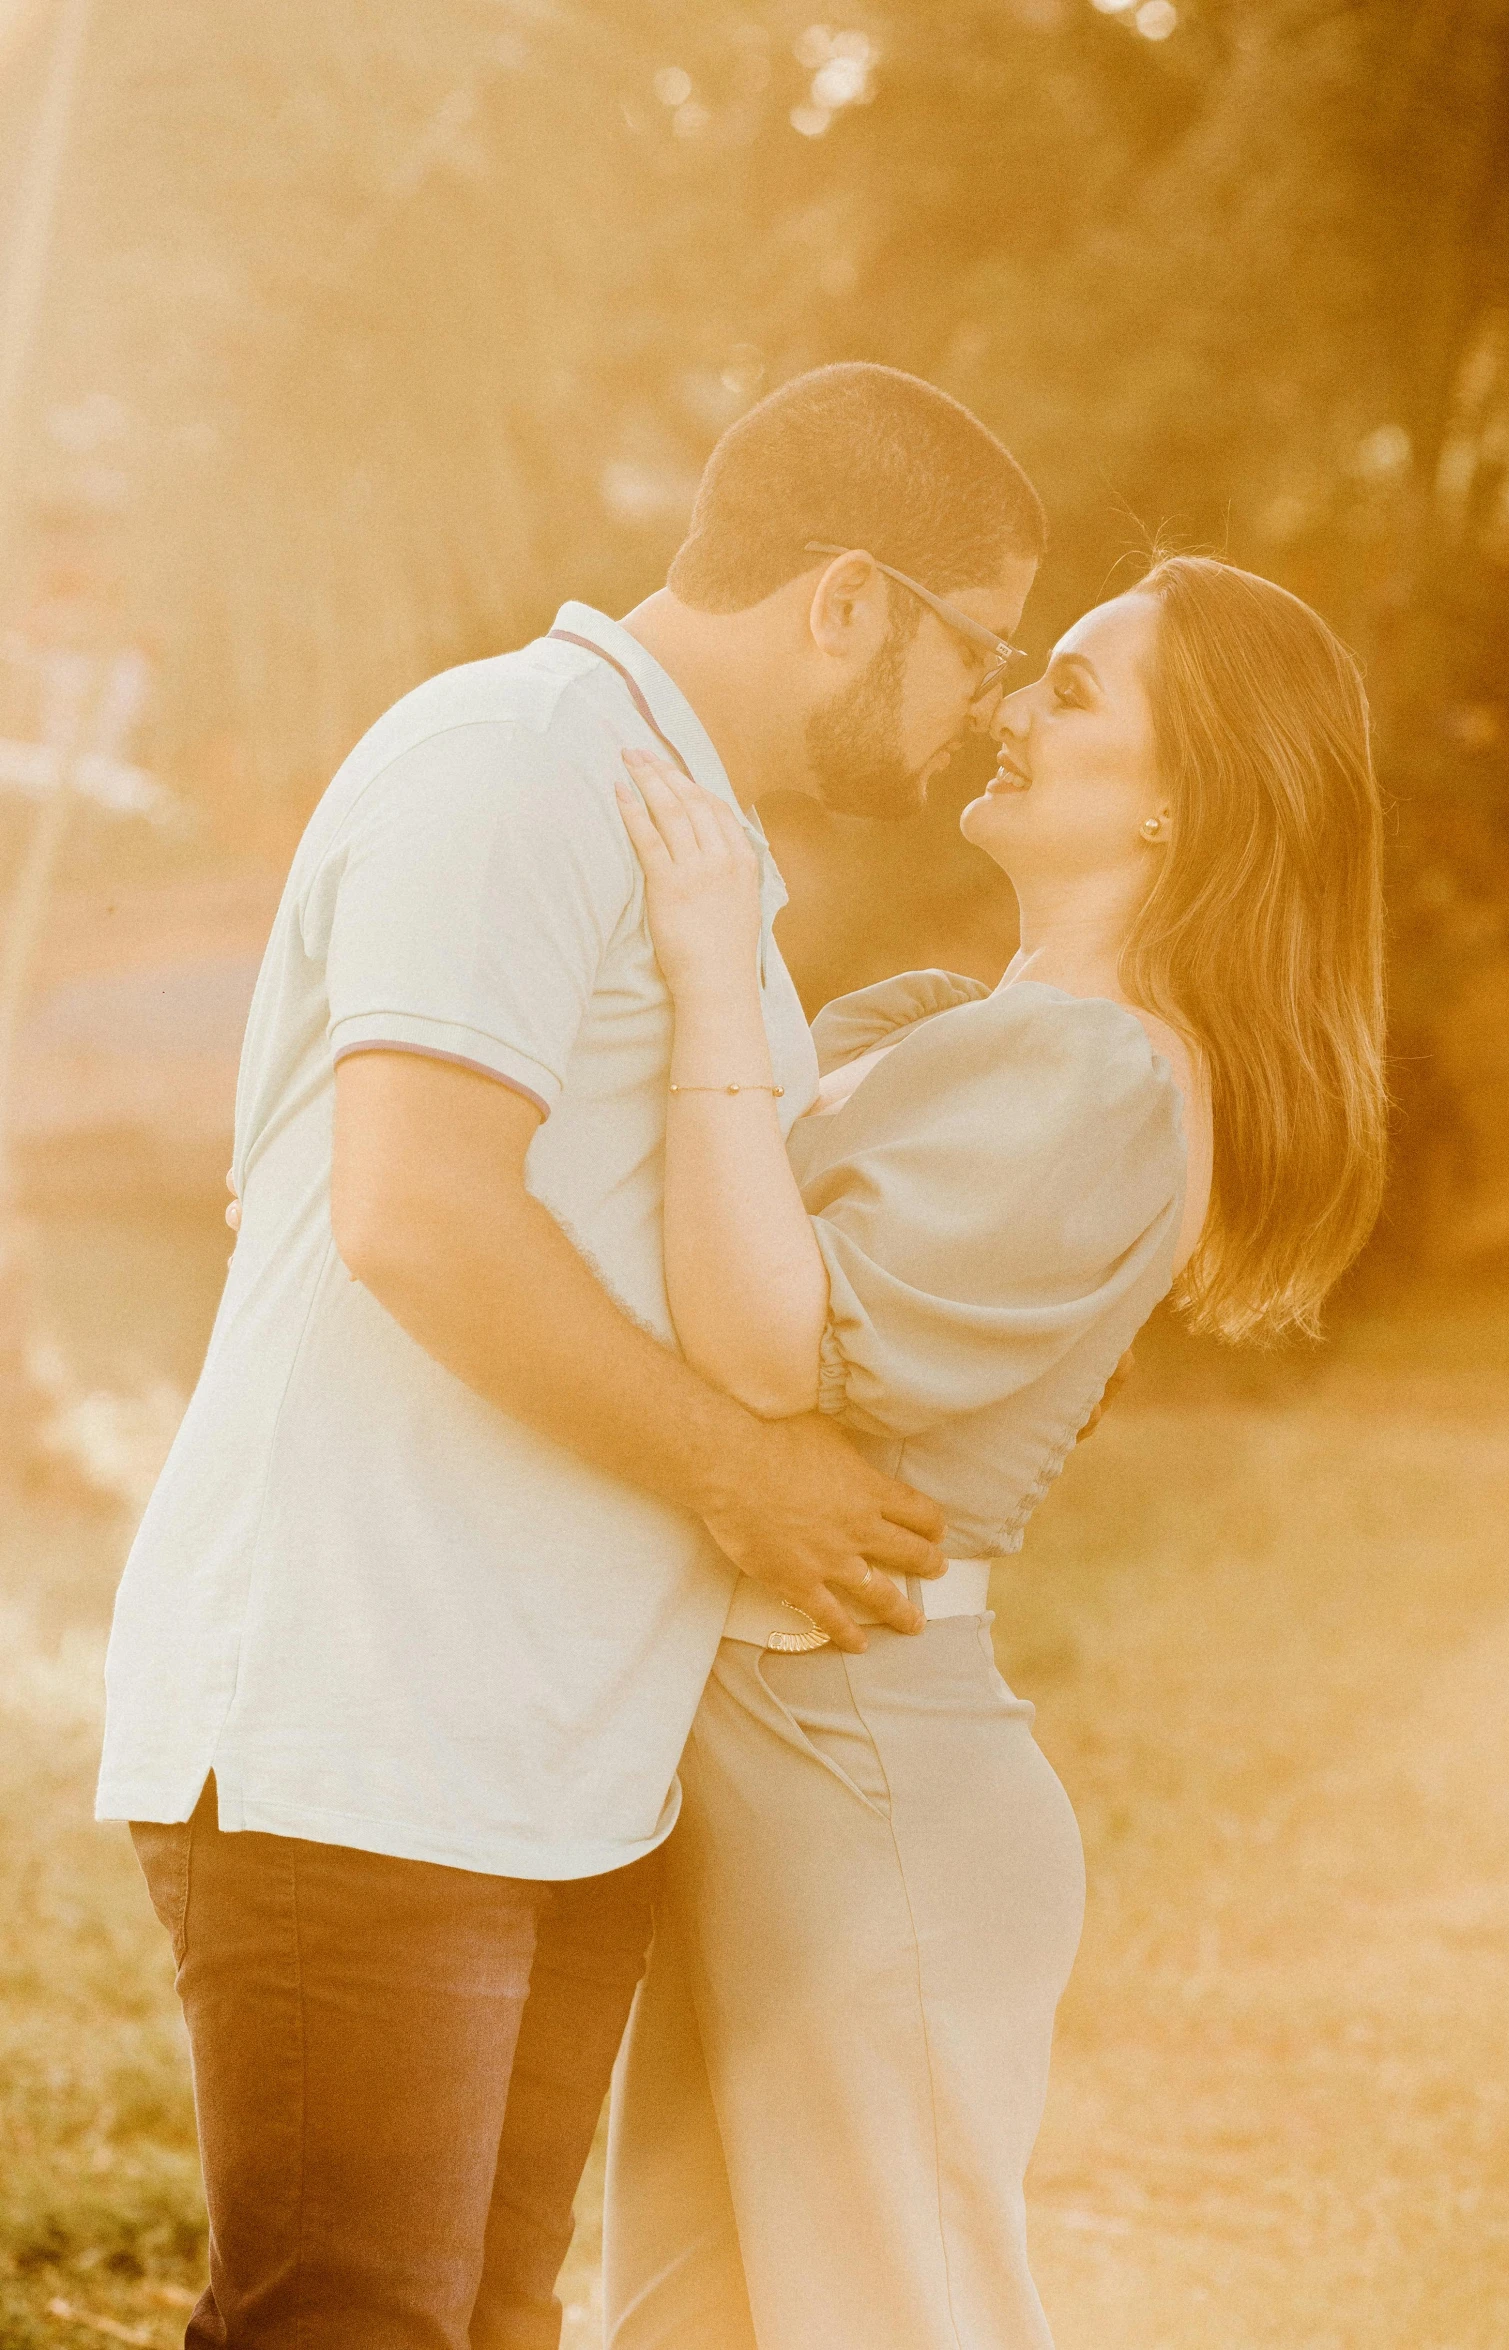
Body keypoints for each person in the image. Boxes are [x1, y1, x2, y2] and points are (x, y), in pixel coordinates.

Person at [94, 363, 1048, 2350]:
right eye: (986, 647)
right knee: (346, 2322)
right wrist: (750, 1475)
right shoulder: (517, 758)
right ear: (848, 599)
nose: (989, 709)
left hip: (559, 1757)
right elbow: (417, 1208)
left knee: (495, 2320)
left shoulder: (706, 846)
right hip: (360, 1723)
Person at [602, 554, 1388, 2350]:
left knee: (891, 2318)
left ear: (1180, 799)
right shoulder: (980, 1033)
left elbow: (765, 1342)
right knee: (678, 2324)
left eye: (1077, 692)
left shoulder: (1101, 1075)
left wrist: (716, 966)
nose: (1013, 706)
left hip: (860, 1776)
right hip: (768, 1769)